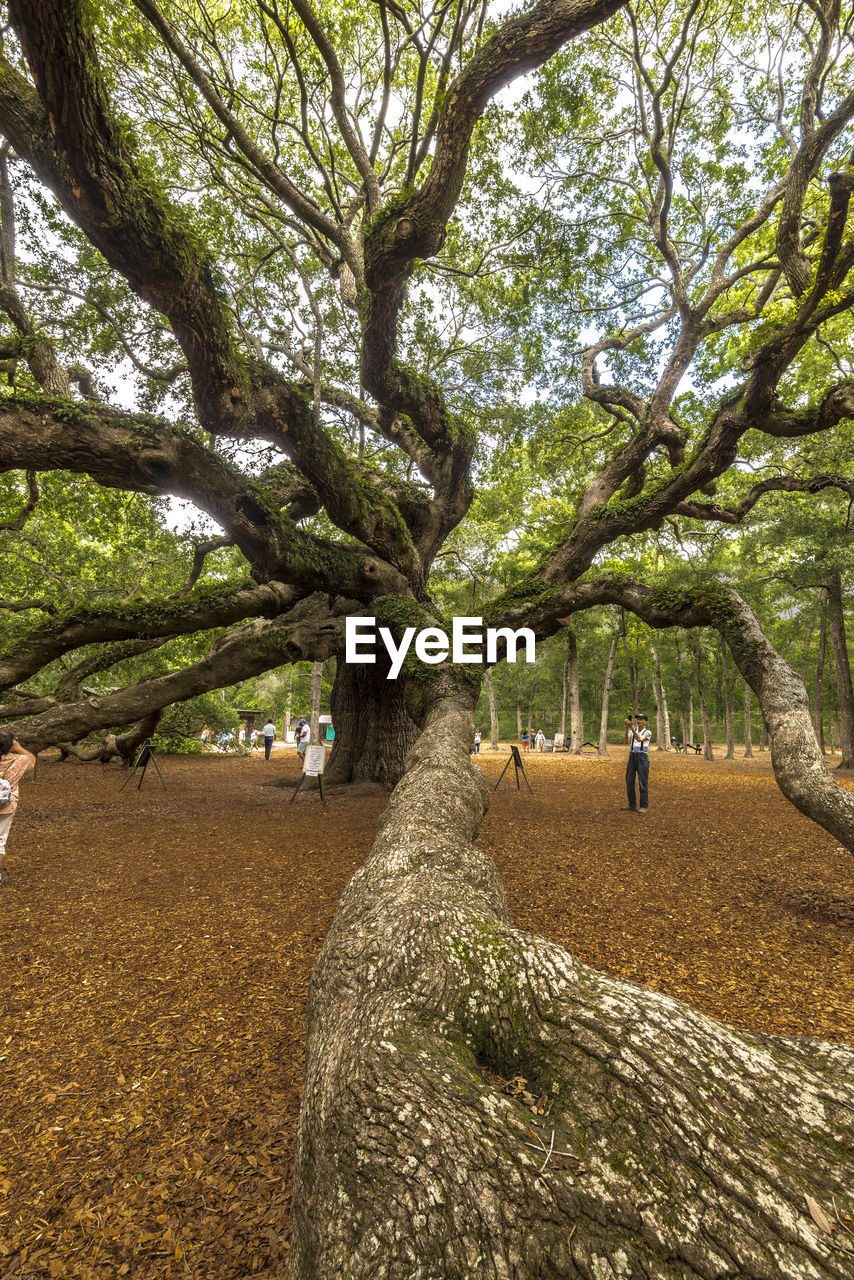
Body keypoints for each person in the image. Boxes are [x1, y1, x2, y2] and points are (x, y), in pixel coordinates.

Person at [0, 731, 36, 884]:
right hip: (6, 805)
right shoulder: (18, 760)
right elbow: (32, 759)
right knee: (0, 840)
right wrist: (18, 747)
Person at [624, 712, 651, 812]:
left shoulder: (647, 732)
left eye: (641, 719)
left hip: (642, 757)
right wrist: (627, 728)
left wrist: (631, 728)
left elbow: (639, 739)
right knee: (629, 781)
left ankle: (644, 806)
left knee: (642, 782)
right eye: (637, 719)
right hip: (632, 757)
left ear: (645, 722)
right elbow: (626, 740)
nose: (638, 721)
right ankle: (632, 805)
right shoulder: (632, 731)